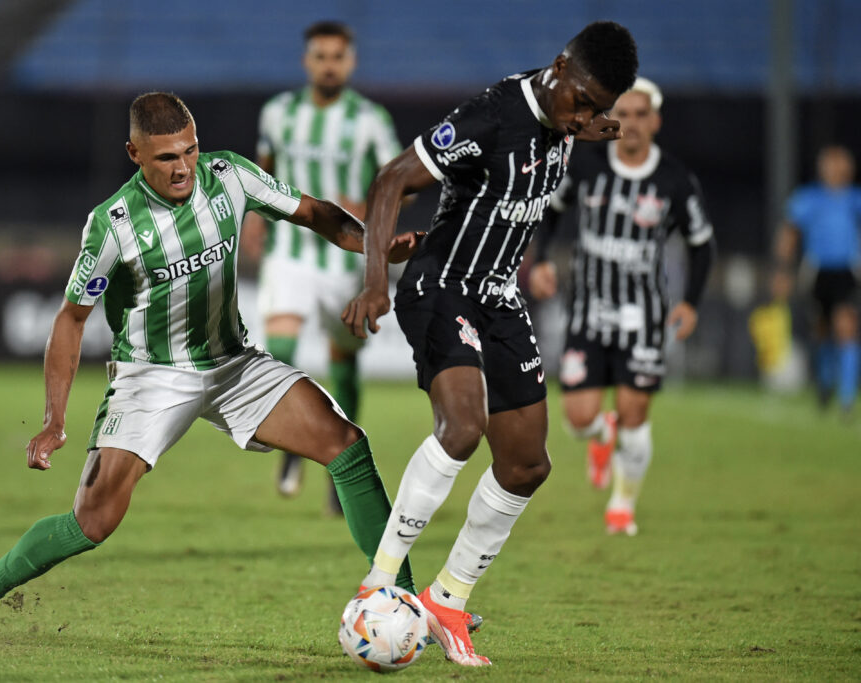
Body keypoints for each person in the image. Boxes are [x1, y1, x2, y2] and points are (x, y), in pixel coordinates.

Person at [0, 92, 423, 645]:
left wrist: (377, 246)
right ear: (134, 154)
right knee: (91, 523)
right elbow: (71, 320)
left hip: (231, 363)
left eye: (190, 151)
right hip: (152, 376)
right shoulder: (112, 225)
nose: (183, 167)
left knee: (346, 443)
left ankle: (400, 598)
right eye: (166, 157)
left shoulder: (231, 176)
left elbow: (315, 214)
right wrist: (54, 419)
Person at [341, 21, 639, 667]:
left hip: (499, 296)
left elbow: (561, 127)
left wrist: (582, 124)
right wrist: (374, 283)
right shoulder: (493, 113)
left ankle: (448, 597)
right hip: (442, 286)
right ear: (559, 66)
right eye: (580, 99)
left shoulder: (566, 118)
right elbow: (393, 179)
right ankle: (380, 580)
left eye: (597, 109)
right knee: (463, 427)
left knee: (528, 464)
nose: (584, 114)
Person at [528, 77, 716, 536]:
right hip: (587, 313)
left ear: (655, 120)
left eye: (639, 114)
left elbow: (702, 244)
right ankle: (600, 436)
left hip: (644, 317)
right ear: (610, 119)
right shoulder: (588, 166)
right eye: (622, 114)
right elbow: (550, 210)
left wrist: (691, 302)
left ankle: (622, 506)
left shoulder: (675, 179)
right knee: (577, 420)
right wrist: (542, 261)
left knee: (635, 414)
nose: (630, 123)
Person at [244, 21, 403, 512]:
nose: (329, 64)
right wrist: (253, 219)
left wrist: (368, 204)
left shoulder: (371, 119)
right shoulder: (278, 113)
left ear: (349, 63)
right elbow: (262, 170)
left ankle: (340, 467)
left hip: (344, 258)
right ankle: (294, 444)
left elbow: (398, 180)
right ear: (306, 61)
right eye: (321, 56)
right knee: (282, 346)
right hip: (289, 251)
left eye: (338, 56)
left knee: (344, 362)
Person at [774, 145, 861, 417]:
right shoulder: (809, 198)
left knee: (846, 328)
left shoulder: (855, 199)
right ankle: (825, 386)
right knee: (821, 330)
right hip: (817, 271)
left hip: (847, 270)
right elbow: (789, 233)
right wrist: (783, 269)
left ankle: (847, 398)